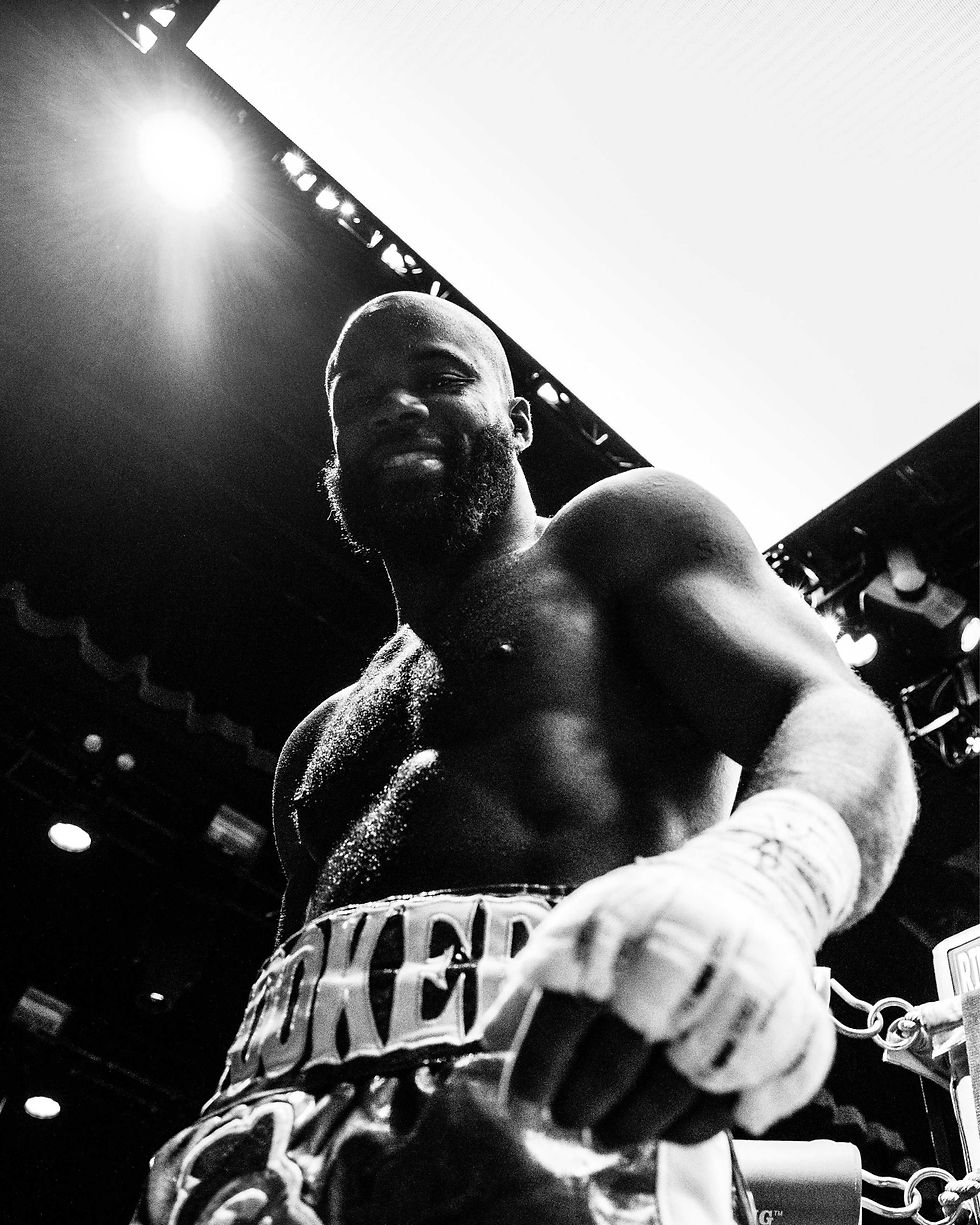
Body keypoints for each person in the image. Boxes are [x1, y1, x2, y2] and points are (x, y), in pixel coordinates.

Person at [134, 291, 917, 1225]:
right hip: (260, 1148)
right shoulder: (316, 741)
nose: (395, 407)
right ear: (337, 457)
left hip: (550, 1107)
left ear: (517, 420)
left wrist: (767, 878)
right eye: (360, 399)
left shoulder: (619, 537)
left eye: (439, 377)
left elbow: (834, 711)